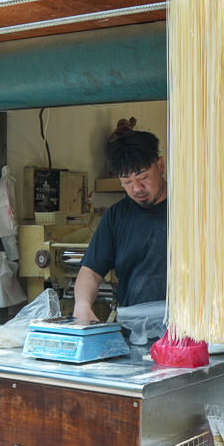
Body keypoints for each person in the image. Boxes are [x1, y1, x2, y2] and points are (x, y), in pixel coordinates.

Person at [72, 118, 167, 323]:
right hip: (137, 334)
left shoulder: (191, 210)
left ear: (160, 165)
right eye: (127, 182)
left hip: (193, 334)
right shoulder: (117, 216)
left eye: (143, 178)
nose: (136, 189)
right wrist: (82, 304)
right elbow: (90, 271)